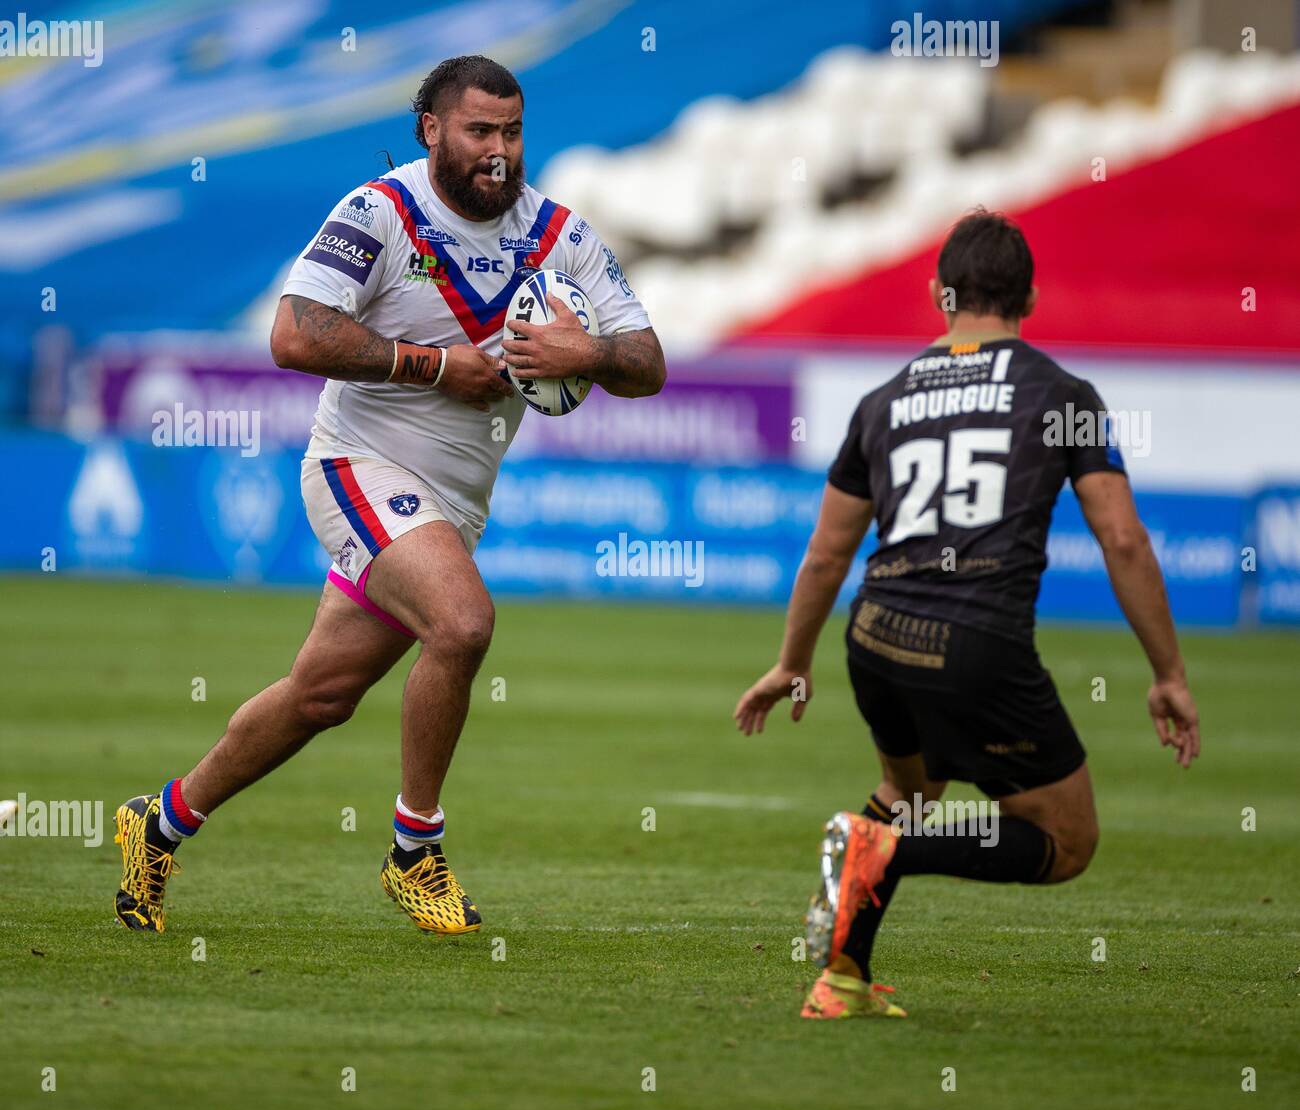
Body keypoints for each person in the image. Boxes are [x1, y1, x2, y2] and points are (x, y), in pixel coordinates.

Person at [113, 54, 665, 937]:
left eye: (513, 133)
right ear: (432, 130)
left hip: (453, 502)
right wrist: (436, 366)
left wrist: (587, 355)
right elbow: (293, 335)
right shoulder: (382, 213)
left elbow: (649, 362)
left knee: (320, 696)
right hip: (356, 465)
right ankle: (415, 852)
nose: (500, 152)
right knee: (464, 623)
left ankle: (162, 820)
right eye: (481, 131)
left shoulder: (561, 233)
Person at [734, 209, 1198, 1019]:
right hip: (977, 640)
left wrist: (792, 662)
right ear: (1033, 298)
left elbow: (824, 554)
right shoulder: (1064, 395)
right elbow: (1122, 538)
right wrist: (1168, 673)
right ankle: (885, 850)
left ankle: (841, 979)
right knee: (1064, 842)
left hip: (875, 636)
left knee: (910, 790)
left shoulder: (884, 399)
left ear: (938, 294)